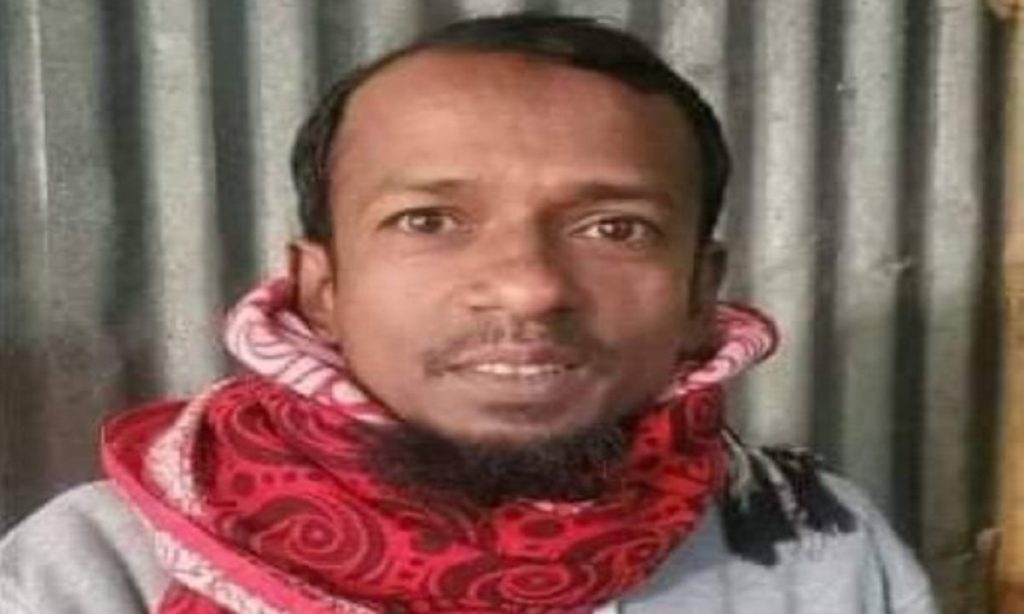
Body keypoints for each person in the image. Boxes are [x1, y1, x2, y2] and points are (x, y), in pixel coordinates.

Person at [0, 13, 935, 613]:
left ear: (700, 291)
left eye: (616, 228)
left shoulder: (816, 551)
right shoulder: (91, 573)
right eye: (429, 221)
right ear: (321, 290)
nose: (529, 287)